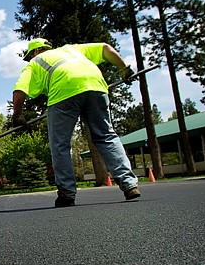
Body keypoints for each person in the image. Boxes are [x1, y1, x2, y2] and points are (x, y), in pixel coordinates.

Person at [11, 38, 140, 207]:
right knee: (106, 136)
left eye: (29, 56)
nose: (29, 59)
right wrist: (124, 69)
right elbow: (106, 48)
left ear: (35, 52)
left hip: (63, 93)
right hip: (95, 86)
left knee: (60, 145)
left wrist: (17, 115)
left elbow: (19, 90)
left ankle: (67, 193)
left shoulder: (36, 61)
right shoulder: (73, 49)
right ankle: (130, 185)